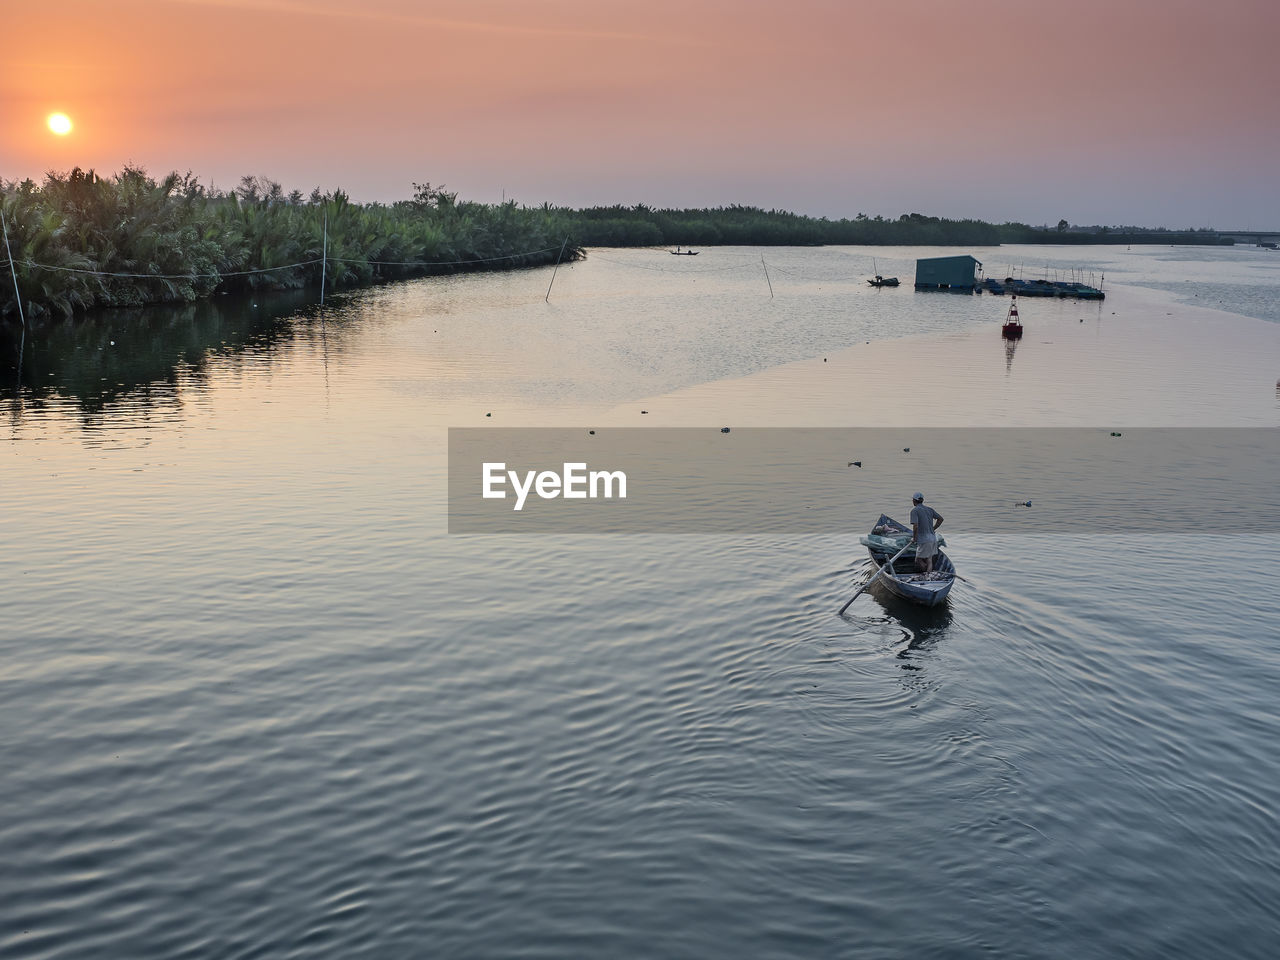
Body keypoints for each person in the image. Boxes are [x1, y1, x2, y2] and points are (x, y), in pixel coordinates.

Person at [910, 493, 944, 576]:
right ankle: (929, 575)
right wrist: (932, 529)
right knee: (929, 560)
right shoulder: (929, 509)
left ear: (914, 501)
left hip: (924, 540)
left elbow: (915, 527)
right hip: (933, 539)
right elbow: (940, 519)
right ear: (922, 501)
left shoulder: (914, 511)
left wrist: (914, 538)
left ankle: (926, 574)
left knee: (918, 560)